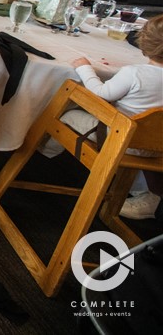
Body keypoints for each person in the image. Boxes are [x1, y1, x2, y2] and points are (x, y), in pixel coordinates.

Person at [40, 15, 162, 220]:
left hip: (118, 139)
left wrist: (84, 68)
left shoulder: (134, 73)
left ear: (143, 42)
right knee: (139, 135)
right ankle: (146, 195)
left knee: (69, 113)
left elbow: (101, 93)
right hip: (157, 148)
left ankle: (44, 153)